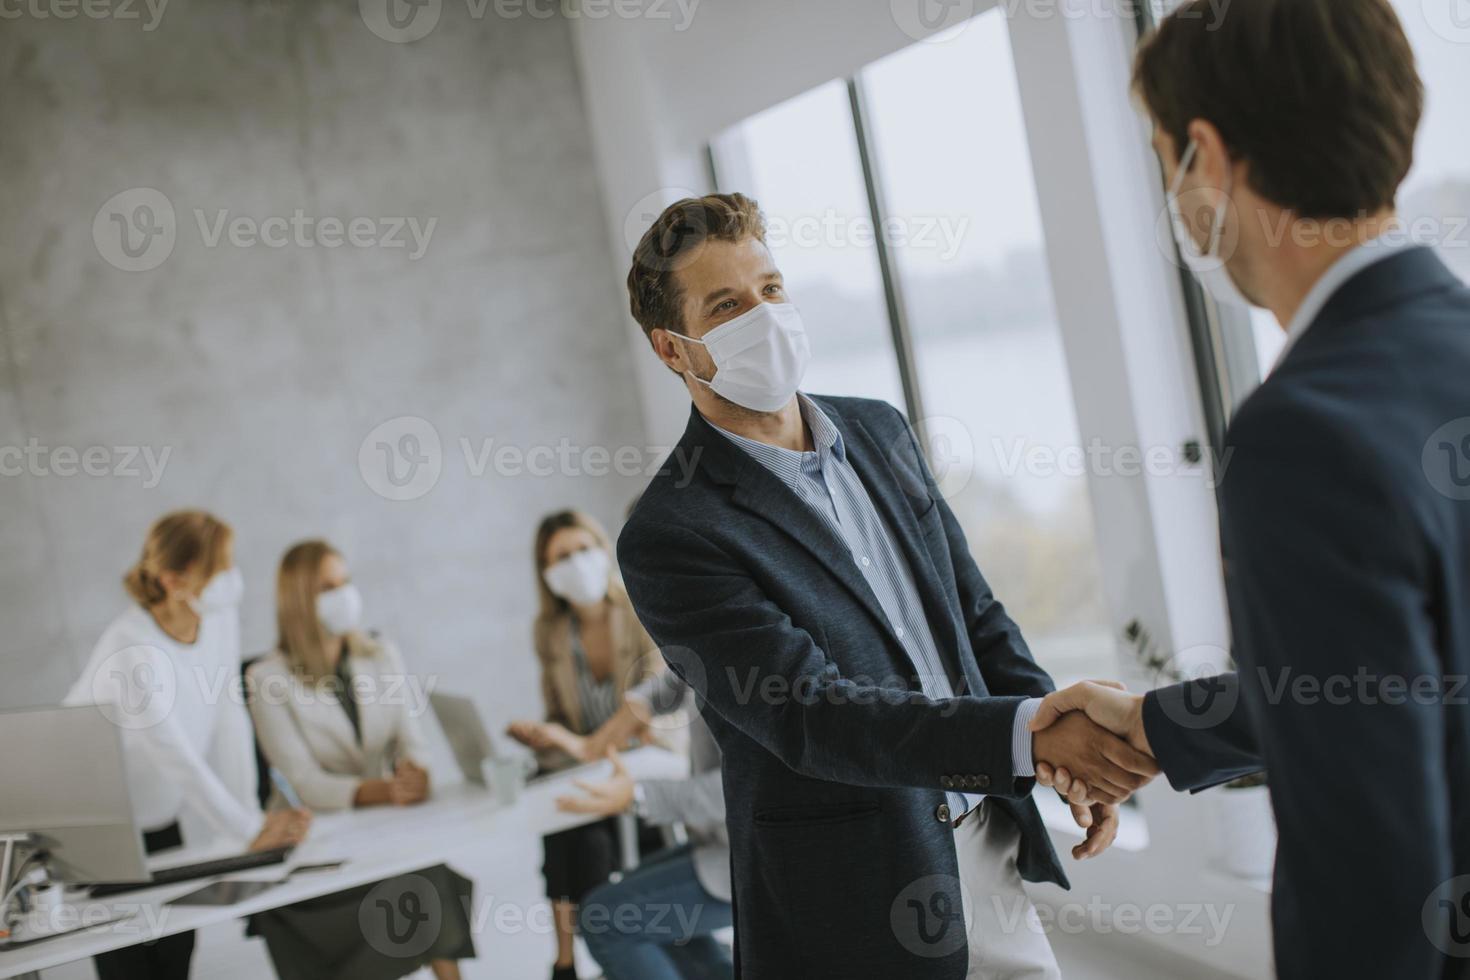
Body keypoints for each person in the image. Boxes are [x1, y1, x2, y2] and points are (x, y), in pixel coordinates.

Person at [1026, 2, 1469, 977]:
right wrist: (1152, 722)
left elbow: (1376, 856)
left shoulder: (1303, 433)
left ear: (1208, 157)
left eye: (1160, 158)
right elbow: (1406, 676)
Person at [616, 193, 1159, 978]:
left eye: (771, 289)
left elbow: (973, 614)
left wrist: (1067, 758)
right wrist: (1030, 735)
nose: (763, 317)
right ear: (674, 350)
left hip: (987, 845)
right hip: (855, 896)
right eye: (727, 305)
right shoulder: (673, 531)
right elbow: (813, 716)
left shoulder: (879, 429)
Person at [63, 510, 310, 980]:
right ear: (175, 580)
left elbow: (229, 713)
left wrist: (247, 831)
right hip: (99, 826)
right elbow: (174, 755)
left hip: (156, 812)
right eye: (220, 567)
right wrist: (247, 831)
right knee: (132, 961)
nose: (232, 579)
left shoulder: (215, 616)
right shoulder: (131, 650)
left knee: (177, 947)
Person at [245, 539, 476, 980]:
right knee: (420, 888)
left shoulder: (380, 653)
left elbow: (413, 741)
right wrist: (384, 790)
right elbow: (303, 781)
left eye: (345, 582)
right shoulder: (265, 678)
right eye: (326, 587)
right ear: (298, 603)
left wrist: (415, 774)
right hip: (315, 845)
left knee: (428, 877)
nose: (343, 595)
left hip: (380, 830)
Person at [506, 509, 667, 980]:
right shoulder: (551, 633)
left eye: (583, 549)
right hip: (590, 762)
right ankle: (570, 958)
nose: (576, 563)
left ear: (603, 549)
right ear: (546, 572)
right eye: (561, 557)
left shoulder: (639, 605)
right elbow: (560, 714)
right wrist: (546, 735)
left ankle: (594, 954)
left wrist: (588, 747)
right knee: (561, 818)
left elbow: (655, 696)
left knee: (584, 837)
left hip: (644, 759)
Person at [558, 670, 734, 980]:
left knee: (604, 918)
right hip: (721, 846)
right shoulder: (713, 635)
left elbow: (738, 791)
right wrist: (638, 706)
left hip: (755, 865)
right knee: (625, 896)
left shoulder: (752, 671)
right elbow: (680, 676)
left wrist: (638, 796)